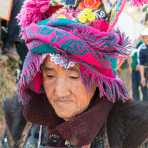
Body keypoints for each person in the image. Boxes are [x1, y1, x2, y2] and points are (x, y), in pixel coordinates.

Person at [17, 0, 148, 147]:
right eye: (50, 76)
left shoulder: (136, 132)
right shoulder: (37, 117)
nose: (59, 92)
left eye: (73, 76)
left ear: (99, 81)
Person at [138, 28, 148, 101]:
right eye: (144, 37)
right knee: (145, 93)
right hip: (145, 72)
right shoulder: (142, 49)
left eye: (146, 36)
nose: (145, 38)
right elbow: (141, 64)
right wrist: (142, 78)